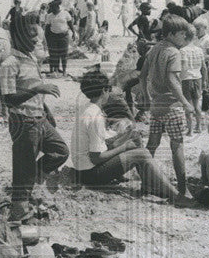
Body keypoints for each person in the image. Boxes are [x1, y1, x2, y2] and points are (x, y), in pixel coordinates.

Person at [0, 12, 69, 221]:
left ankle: (28, 186)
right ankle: (19, 209)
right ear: (18, 36)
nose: (37, 39)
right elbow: (9, 99)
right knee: (23, 168)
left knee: (60, 152)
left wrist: (46, 111)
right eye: (31, 35)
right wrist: (39, 90)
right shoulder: (9, 63)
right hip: (23, 122)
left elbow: (32, 87)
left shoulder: (30, 58)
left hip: (39, 118)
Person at [69, 69, 179, 201]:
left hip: (83, 167)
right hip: (90, 174)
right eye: (109, 89)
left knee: (133, 137)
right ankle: (176, 195)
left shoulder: (87, 108)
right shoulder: (95, 116)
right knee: (141, 154)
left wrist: (124, 138)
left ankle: (149, 184)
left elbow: (98, 144)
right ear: (105, 90)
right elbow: (96, 158)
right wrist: (124, 147)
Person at [139, 14, 190, 199]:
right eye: (182, 34)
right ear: (172, 34)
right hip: (172, 104)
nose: (184, 38)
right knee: (177, 145)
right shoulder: (174, 52)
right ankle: (184, 190)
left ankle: (146, 183)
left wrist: (146, 96)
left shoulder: (154, 49)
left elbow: (142, 75)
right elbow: (172, 80)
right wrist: (185, 102)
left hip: (156, 104)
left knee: (152, 144)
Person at [179, 23, 204, 135]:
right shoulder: (199, 50)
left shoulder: (183, 50)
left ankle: (189, 129)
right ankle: (198, 126)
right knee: (197, 103)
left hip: (187, 79)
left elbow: (183, 67)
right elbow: (203, 66)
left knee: (188, 105)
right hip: (197, 77)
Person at [43, 0, 74, 75]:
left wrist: (74, 33)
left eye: (52, 8)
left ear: (57, 7)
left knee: (64, 54)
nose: (51, 10)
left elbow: (70, 24)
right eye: (50, 8)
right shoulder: (49, 16)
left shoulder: (65, 13)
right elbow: (47, 28)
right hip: (53, 37)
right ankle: (55, 70)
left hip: (64, 36)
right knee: (54, 54)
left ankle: (64, 71)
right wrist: (46, 40)